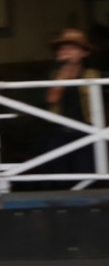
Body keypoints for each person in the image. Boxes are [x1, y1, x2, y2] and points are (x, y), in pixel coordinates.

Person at [36, 27, 104, 181]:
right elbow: (51, 99)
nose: (65, 51)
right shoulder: (49, 76)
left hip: (88, 135)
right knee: (58, 178)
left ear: (84, 53)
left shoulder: (96, 76)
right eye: (62, 48)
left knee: (87, 176)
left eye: (72, 47)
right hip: (57, 134)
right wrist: (63, 74)